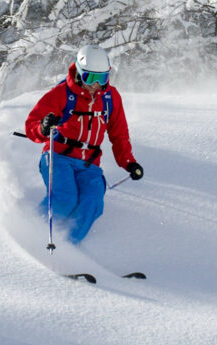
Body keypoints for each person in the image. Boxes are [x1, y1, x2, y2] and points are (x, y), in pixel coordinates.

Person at [24, 45, 144, 244]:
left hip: (89, 164)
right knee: (65, 198)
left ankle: (67, 247)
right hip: (58, 157)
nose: (96, 84)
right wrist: (43, 128)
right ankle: (31, 237)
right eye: (90, 78)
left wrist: (129, 162)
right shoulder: (61, 94)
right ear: (79, 73)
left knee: (93, 202)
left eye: (102, 78)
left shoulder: (110, 98)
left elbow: (119, 133)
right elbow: (31, 126)